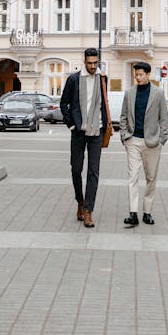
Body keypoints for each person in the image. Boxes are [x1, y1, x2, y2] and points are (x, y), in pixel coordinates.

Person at [60, 47, 110, 228]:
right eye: (89, 63)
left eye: (95, 63)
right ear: (84, 62)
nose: (92, 66)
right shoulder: (74, 79)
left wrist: (105, 124)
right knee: (76, 169)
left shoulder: (103, 78)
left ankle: (88, 210)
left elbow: (104, 103)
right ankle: (80, 201)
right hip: (79, 131)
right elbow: (63, 103)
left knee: (93, 172)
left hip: (97, 130)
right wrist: (71, 124)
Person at [119, 61, 168, 227]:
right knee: (132, 176)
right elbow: (124, 116)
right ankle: (133, 213)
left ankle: (147, 212)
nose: (138, 78)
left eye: (141, 75)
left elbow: (163, 118)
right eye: (136, 75)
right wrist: (125, 136)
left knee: (151, 178)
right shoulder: (129, 93)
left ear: (148, 75)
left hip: (152, 143)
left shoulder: (158, 93)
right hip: (133, 140)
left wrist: (162, 139)